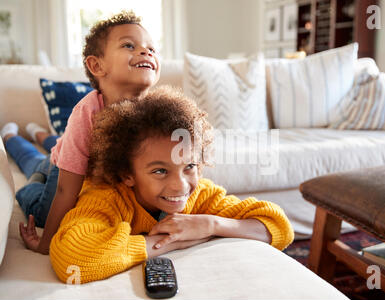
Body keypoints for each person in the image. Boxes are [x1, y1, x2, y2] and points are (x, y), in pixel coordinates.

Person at [50, 86, 294, 284]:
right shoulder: (107, 197)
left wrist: (209, 224)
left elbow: (279, 227)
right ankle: (21, 137)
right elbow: (72, 259)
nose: (180, 186)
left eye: (189, 166)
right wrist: (172, 241)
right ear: (127, 174)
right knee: (35, 168)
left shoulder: (200, 194)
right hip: (52, 178)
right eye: (160, 171)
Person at [1, 10, 161, 255]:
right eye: (129, 45)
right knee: (38, 187)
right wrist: (46, 245)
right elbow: (66, 189)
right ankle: (12, 138)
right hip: (62, 168)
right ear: (97, 65)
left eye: (152, 48)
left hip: (73, 151)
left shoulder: (158, 111)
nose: (146, 51)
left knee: (55, 144)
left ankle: (39, 134)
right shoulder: (87, 112)